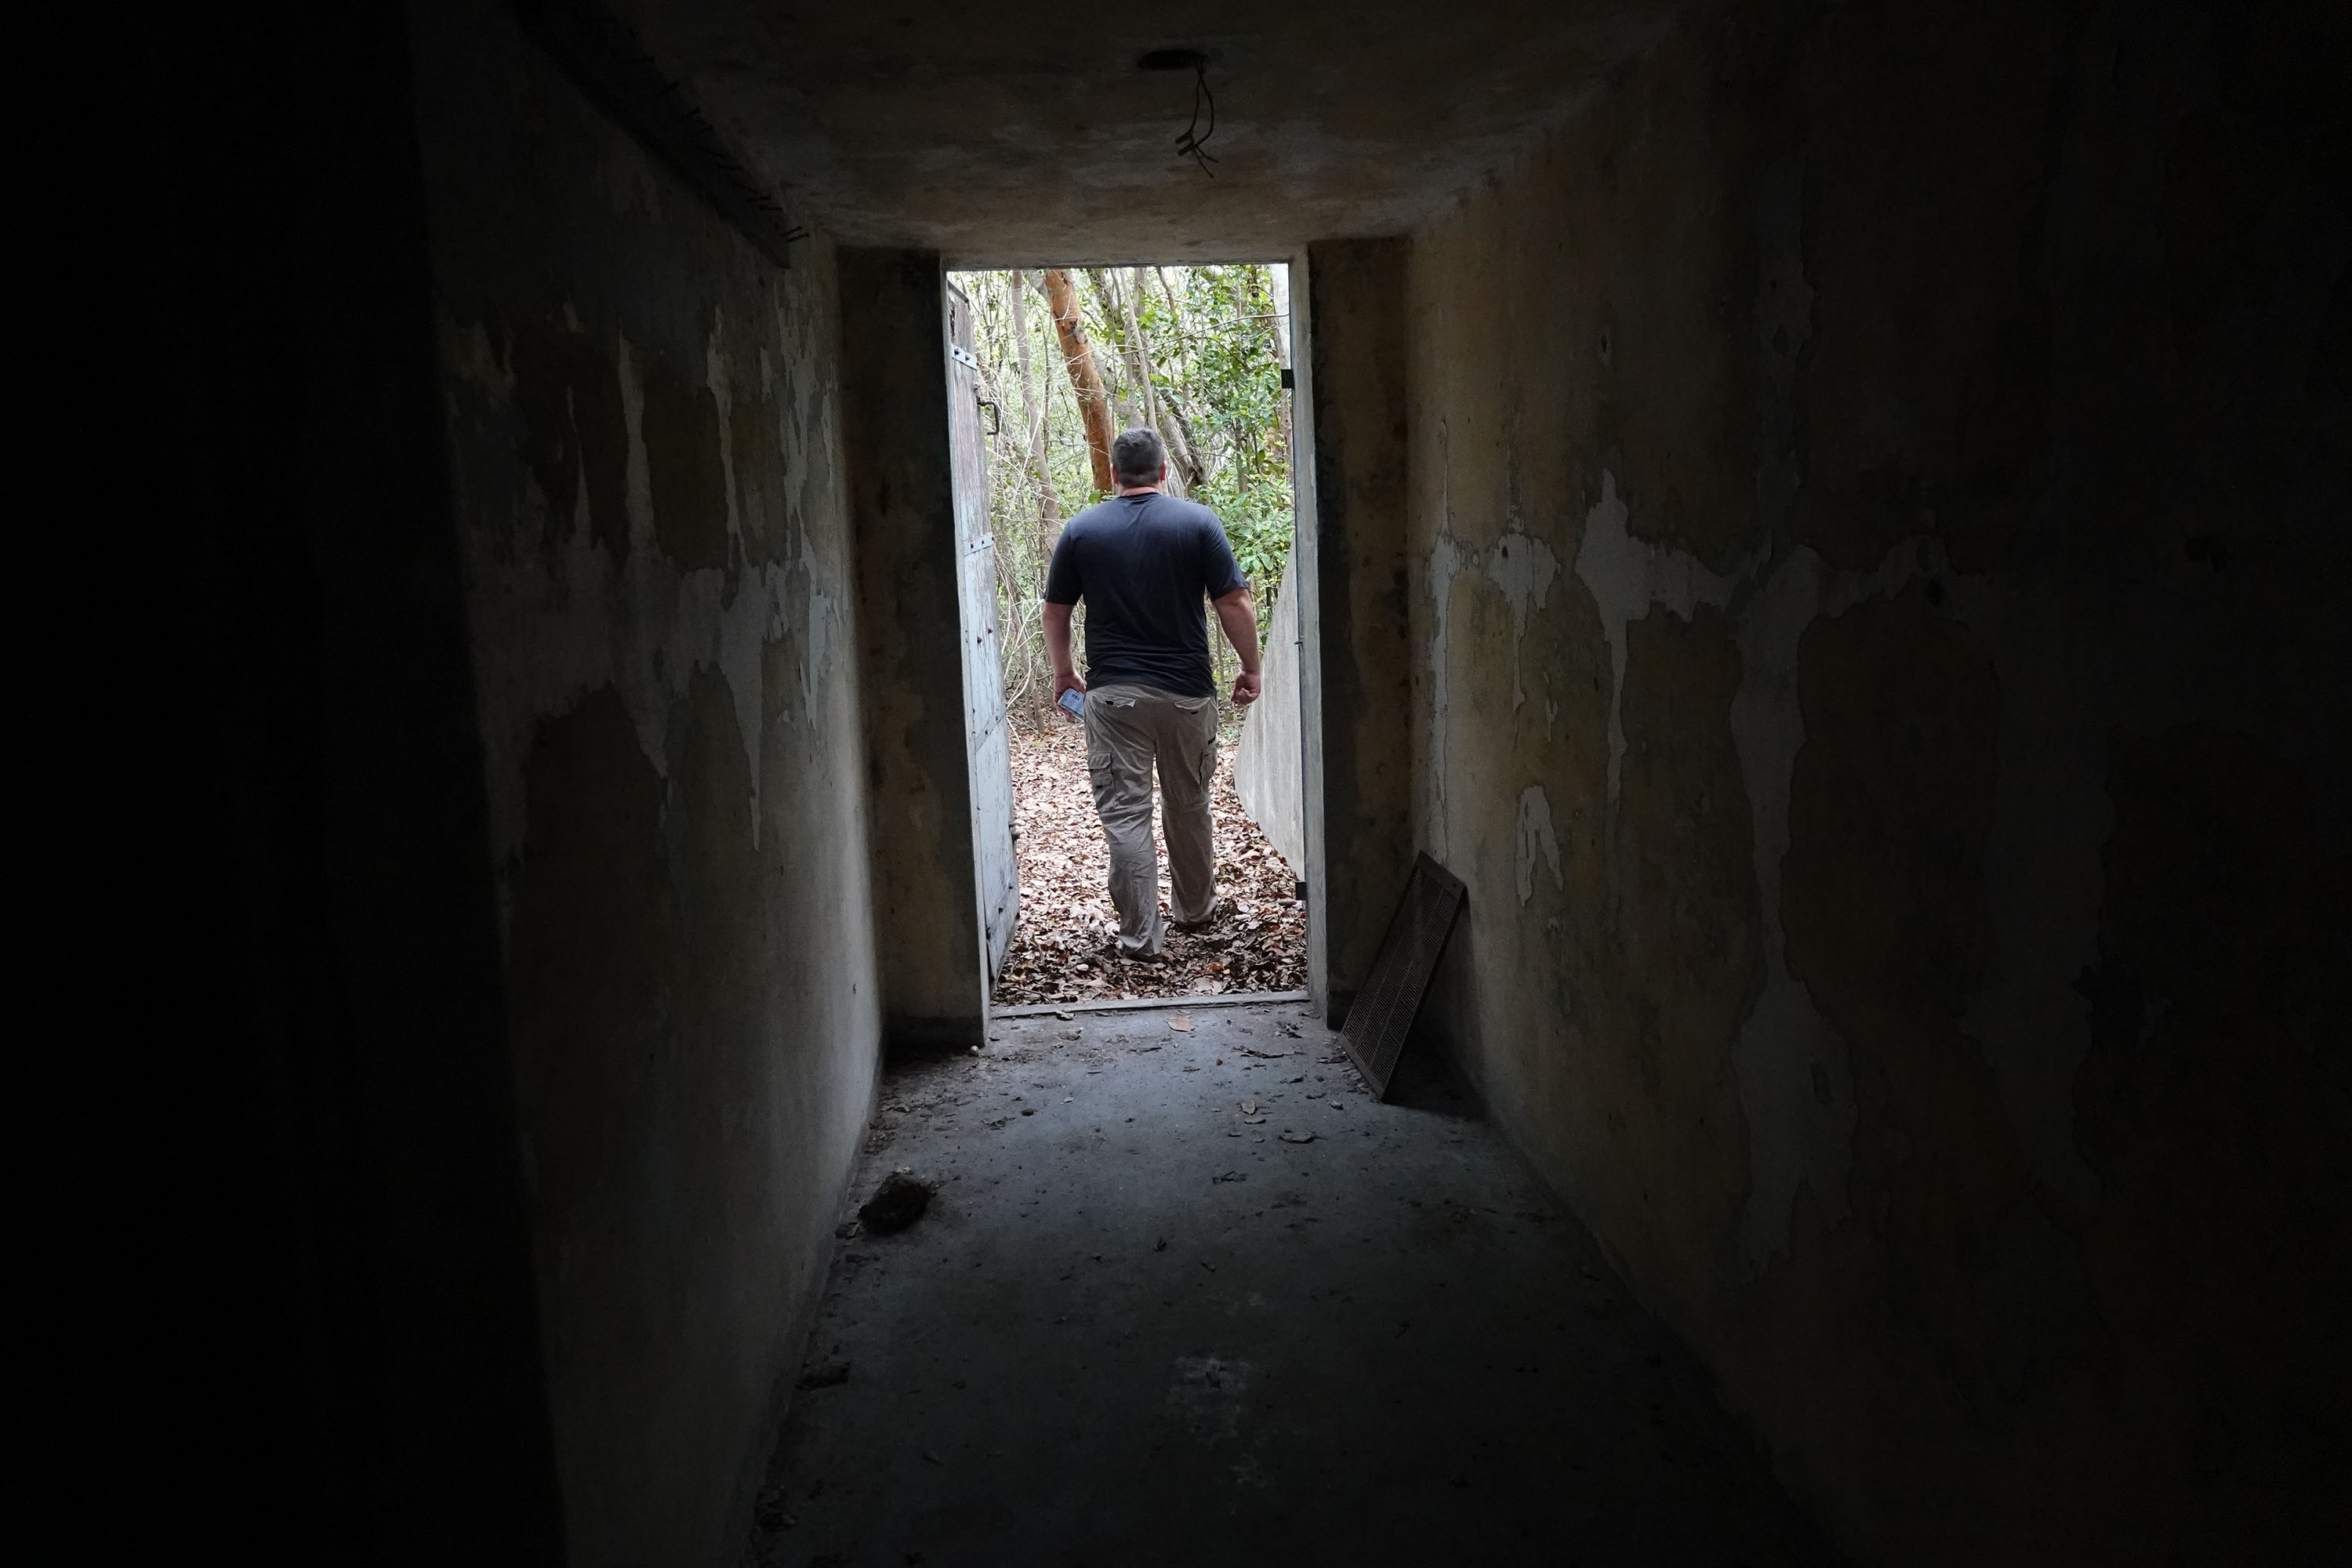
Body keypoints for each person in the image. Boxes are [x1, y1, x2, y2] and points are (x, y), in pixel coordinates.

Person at [1042, 427, 1262, 961]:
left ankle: (1141, 937)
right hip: (1187, 694)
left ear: (1114, 474)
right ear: (1164, 471)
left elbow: (1057, 610)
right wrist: (1251, 667)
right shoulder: (1197, 522)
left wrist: (1065, 673)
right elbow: (1232, 601)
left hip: (1115, 695)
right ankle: (1195, 912)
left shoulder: (1081, 530)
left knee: (1126, 815)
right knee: (1188, 805)